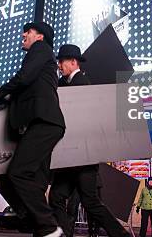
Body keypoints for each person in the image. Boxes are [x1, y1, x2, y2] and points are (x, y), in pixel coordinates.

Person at [0, 22, 66, 237]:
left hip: (45, 123)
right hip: (46, 123)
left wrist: (0, 91)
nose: (24, 34)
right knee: (37, 181)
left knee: (17, 173)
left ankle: (47, 225)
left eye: (29, 31)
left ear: (40, 37)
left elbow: (24, 77)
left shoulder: (41, 49)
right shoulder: (44, 56)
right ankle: (40, 227)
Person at [49, 45, 129, 237]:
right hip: (68, 157)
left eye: (62, 61)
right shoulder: (61, 83)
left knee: (91, 203)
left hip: (84, 158)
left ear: (73, 62)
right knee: (56, 197)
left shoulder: (83, 83)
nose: (59, 65)